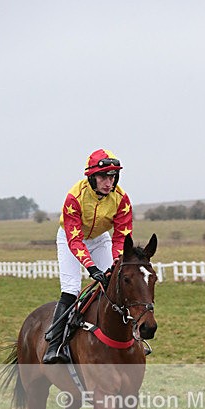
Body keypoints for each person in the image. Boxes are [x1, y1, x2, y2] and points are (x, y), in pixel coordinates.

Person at [43, 148, 133, 364]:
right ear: (92, 177)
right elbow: (75, 240)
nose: (108, 182)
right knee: (71, 289)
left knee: (114, 284)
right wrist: (92, 268)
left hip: (100, 239)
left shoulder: (121, 199)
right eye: (103, 176)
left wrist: (116, 265)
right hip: (70, 239)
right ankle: (54, 345)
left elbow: (121, 237)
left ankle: (131, 337)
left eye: (112, 176)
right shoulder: (75, 196)